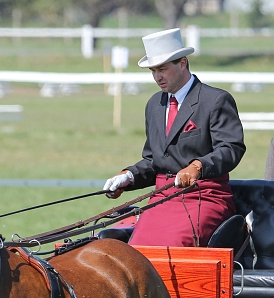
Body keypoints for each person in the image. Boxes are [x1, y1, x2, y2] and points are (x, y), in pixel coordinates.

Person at [102, 28, 246, 247]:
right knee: (137, 251)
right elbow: (154, 160)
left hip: (205, 195)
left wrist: (197, 166)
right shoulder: (154, 104)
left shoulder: (215, 100)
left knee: (174, 246)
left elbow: (231, 148)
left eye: (162, 69)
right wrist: (129, 176)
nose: (157, 77)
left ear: (182, 63)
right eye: (153, 71)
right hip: (162, 197)